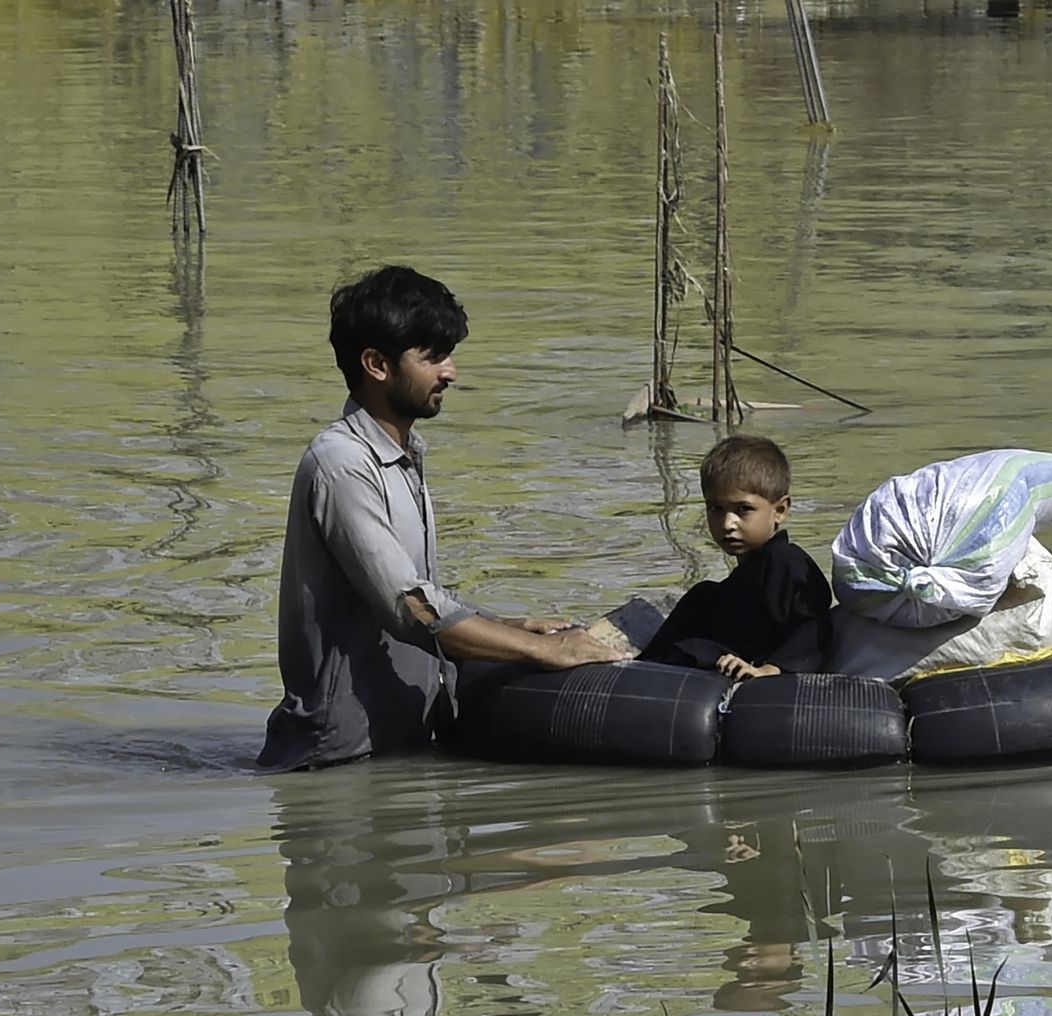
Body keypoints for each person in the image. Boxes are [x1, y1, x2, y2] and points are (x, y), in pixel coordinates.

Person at [259, 265, 622, 772]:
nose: (450, 372)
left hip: (396, 750)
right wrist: (549, 652)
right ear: (376, 364)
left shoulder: (403, 454)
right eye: (432, 357)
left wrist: (508, 625)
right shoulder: (341, 464)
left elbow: (421, 595)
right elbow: (411, 608)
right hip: (336, 764)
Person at [639, 435, 833, 680]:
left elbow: (815, 627)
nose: (727, 524)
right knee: (703, 595)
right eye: (715, 509)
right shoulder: (737, 580)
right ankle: (639, 669)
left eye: (744, 509)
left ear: (780, 510)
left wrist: (769, 670)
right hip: (726, 663)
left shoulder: (786, 562)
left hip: (761, 675)